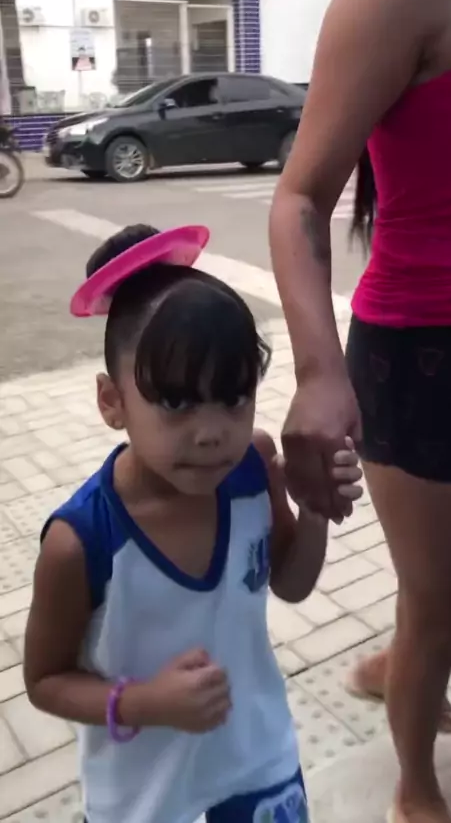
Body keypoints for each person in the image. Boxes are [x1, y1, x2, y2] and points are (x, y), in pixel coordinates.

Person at [23, 223, 362, 823]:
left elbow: (289, 582)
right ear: (112, 402)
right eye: (176, 402)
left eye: (233, 397)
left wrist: (315, 510)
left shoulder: (253, 467)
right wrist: (142, 702)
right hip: (145, 799)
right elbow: (46, 680)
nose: (211, 432)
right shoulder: (81, 542)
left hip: (260, 763)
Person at [269, 0, 451, 821]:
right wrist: (318, 373)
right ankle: (415, 787)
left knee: (447, 606)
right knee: (443, 605)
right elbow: (299, 198)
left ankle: (403, 661)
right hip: (430, 358)